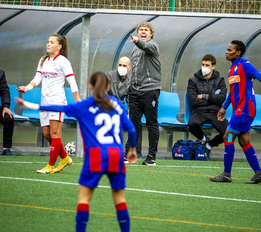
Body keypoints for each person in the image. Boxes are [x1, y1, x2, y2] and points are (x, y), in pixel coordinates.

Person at [17, 72, 137, 232]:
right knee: (120, 200)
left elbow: (58, 107)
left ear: (90, 86)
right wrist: (133, 150)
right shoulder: (117, 104)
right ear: (108, 87)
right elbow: (132, 130)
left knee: (84, 199)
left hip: (95, 155)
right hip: (115, 154)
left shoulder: (84, 105)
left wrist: (30, 105)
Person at [210, 40, 261, 184]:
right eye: (227, 49)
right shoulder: (232, 69)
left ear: (238, 52)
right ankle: (259, 174)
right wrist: (224, 107)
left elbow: (257, 74)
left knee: (228, 137)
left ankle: (226, 174)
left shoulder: (244, 64)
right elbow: (233, 91)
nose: (226, 52)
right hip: (240, 110)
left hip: (245, 109)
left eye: (230, 50)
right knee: (244, 140)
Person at [17, 34, 80, 174]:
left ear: (59, 46)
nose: (48, 44)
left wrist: (77, 100)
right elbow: (37, 78)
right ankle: (64, 158)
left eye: (52, 42)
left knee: (54, 133)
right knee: (47, 134)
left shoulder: (64, 62)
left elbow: (72, 82)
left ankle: (50, 165)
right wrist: (27, 88)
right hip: (44, 102)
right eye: (48, 42)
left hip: (57, 102)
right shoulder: (43, 60)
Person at [129, 21, 161, 166]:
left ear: (151, 34)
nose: (143, 32)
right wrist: (130, 88)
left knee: (151, 124)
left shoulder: (153, 45)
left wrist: (137, 41)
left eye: (146, 30)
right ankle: (130, 154)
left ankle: (151, 157)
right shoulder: (135, 50)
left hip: (150, 90)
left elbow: (145, 46)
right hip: (135, 91)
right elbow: (134, 70)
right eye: (140, 30)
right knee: (134, 123)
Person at [187, 54, 227, 159]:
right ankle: (203, 138)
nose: (204, 67)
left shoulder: (220, 80)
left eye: (207, 65)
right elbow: (192, 100)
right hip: (199, 112)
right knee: (192, 123)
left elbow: (222, 98)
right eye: (203, 64)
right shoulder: (193, 80)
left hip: (215, 112)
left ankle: (210, 145)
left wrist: (204, 97)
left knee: (228, 132)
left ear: (213, 66)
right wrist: (213, 100)